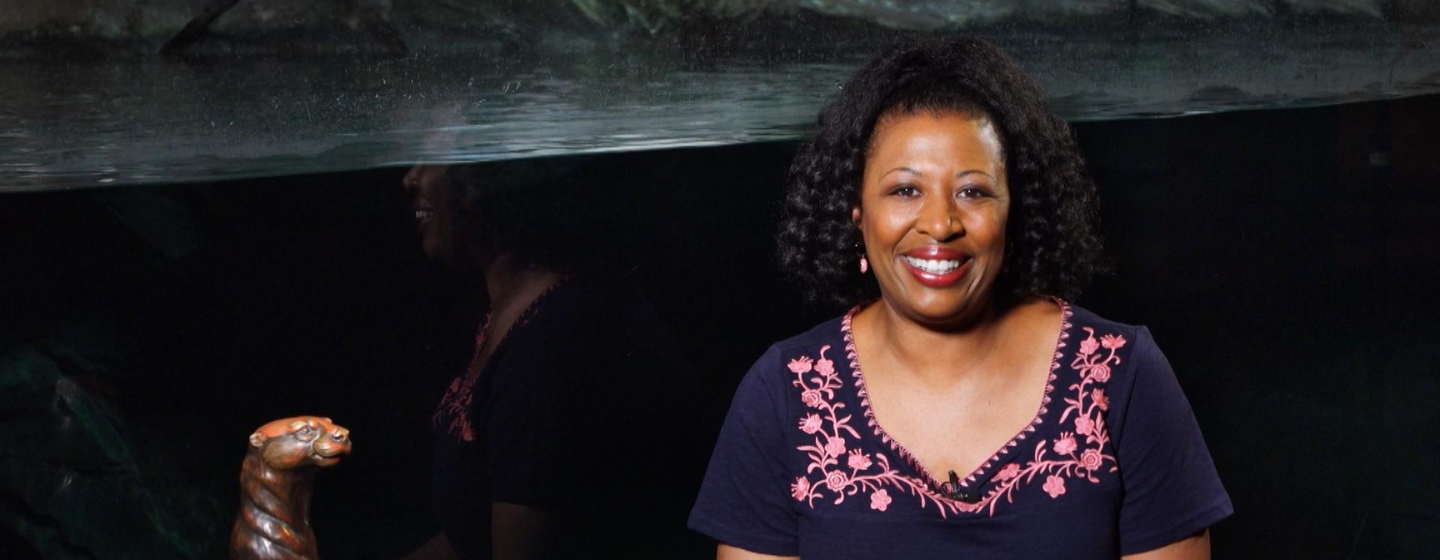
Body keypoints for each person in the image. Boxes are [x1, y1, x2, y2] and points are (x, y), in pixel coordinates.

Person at [688, 38, 1232, 559]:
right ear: (859, 216)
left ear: (1013, 214)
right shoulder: (784, 394)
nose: (940, 224)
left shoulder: (1122, 375)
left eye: (973, 191)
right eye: (905, 190)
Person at [401, 158, 704, 560]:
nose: (410, 178)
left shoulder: (553, 345)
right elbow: (472, 534)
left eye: (429, 155)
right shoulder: (523, 312)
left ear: (484, 176)